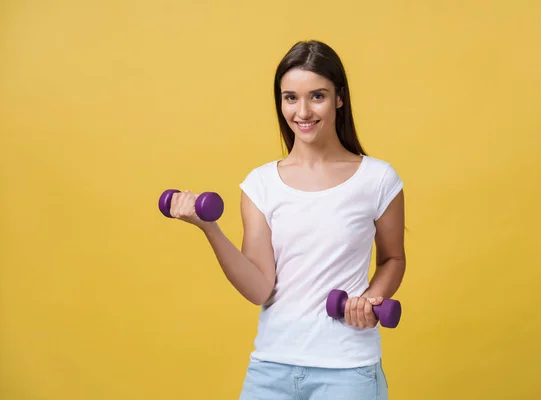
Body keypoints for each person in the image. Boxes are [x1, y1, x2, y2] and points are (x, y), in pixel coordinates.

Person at [168, 40, 406, 399]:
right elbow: (260, 288)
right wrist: (209, 228)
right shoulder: (260, 184)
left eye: (317, 96)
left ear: (339, 98)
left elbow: (393, 259)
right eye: (290, 97)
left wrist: (372, 298)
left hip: (347, 370)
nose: (303, 111)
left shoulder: (378, 179)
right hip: (271, 369)